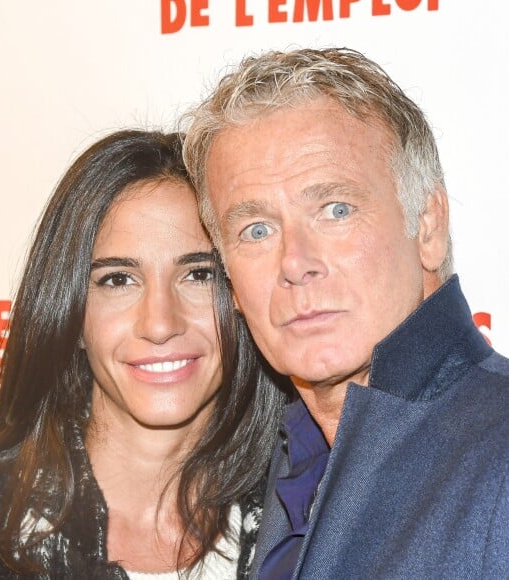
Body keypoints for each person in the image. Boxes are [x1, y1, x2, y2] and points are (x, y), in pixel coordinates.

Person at [182, 48, 509, 579]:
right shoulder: (262, 480)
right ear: (232, 283)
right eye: (256, 230)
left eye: (336, 209)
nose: (295, 263)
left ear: (427, 225)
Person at [0, 130, 289, 579]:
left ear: (240, 296)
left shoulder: (305, 524)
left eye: (198, 274)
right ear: (72, 314)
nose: (160, 323)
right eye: (118, 280)